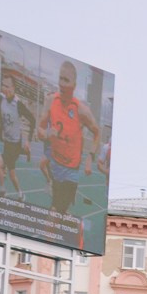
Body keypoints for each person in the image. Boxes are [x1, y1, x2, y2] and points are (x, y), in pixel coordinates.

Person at [41, 57, 103, 218]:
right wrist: (48, 134)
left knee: (54, 213)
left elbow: (97, 132)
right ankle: (73, 226)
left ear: (74, 85)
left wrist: (90, 157)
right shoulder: (50, 101)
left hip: (71, 170)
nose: (62, 83)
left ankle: (50, 239)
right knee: (61, 211)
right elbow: (39, 131)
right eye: (60, 78)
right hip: (55, 166)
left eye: (66, 80)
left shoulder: (81, 110)